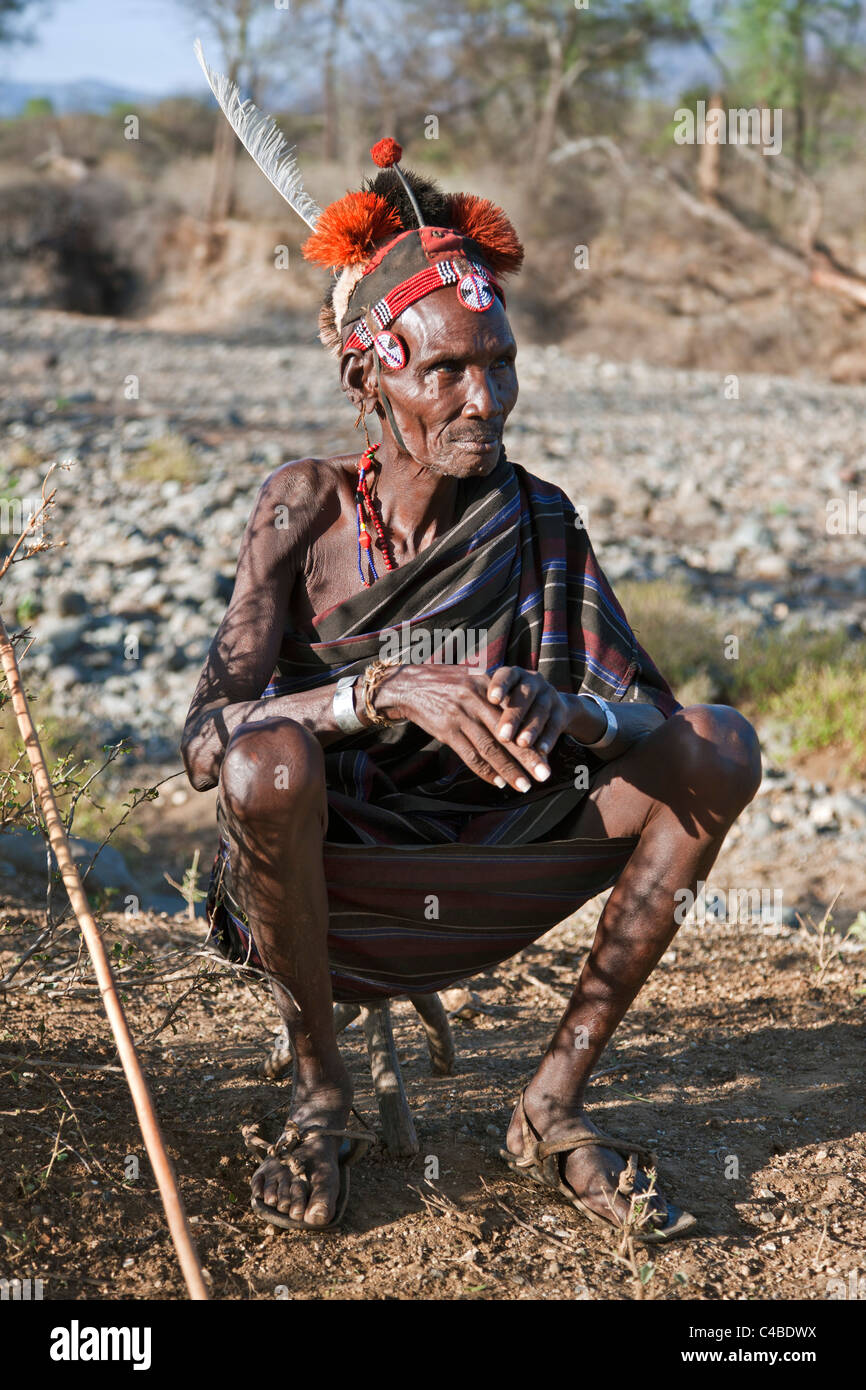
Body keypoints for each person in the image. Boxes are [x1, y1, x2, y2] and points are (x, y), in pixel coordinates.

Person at [182, 54, 763, 1240]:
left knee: (717, 745)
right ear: (368, 376)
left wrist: (572, 718)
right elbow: (204, 742)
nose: (482, 400)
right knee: (265, 764)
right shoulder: (300, 508)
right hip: (330, 871)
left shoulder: (535, 513)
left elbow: (644, 713)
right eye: (445, 369)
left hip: (496, 846)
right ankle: (319, 1090)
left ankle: (548, 1102)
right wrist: (375, 692)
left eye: (496, 366)